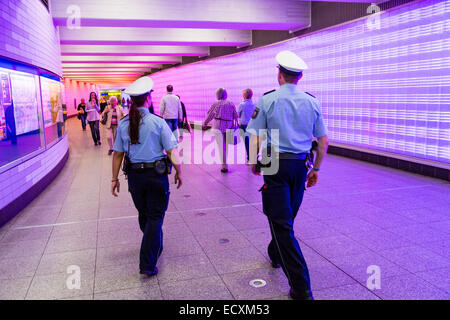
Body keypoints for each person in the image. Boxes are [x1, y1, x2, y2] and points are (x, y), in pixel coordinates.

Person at [247, 50, 329, 300]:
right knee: (286, 216)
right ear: (300, 77)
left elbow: (256, 135)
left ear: (279, 75)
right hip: (300, 165)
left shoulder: (267, 100)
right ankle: (275, 254)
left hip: (274, 163)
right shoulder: (312, 101)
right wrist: (315, 169)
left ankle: (301, 286)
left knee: (282, 223)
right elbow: (323, 142)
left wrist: (252, 159)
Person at [111, 76, 182, 277]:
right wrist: (179, 171)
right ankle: (147, 263)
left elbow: (117, 154)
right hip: (156, 176)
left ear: (133, 101)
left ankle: (154, 242)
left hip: (135, 177)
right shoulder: (158, 123)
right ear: (149, 99)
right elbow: (171, 151)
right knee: (154, 216)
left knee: (145, 214)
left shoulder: (125, 123)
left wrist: (114, 179)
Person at [203, 88, 238, 173]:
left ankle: (224, 166)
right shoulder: (231, 103)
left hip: (218, 126)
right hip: (228, 125)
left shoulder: (216, 103)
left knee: (221, 146)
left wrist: (205, 123)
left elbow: (210, 114)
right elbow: (236, 115)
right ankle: (225, 164)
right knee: (225, 146)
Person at [237, 89, 256, 162]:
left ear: (245, 95)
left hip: (244, 126)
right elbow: (255, 115)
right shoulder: (255, 104)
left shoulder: (242, 104)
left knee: (247, 142)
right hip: (252, 125)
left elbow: (237, 115)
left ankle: (249, 158)